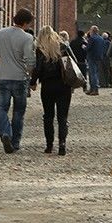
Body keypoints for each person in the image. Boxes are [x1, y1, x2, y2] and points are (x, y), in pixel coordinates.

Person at [0, 8, 35, 153]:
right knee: (19, 111)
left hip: (4, 77)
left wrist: (0, 61)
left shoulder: (2, 33)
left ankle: (5, 132)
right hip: (20, 78)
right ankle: (15, 142)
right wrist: (29, 71)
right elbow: (30, 60)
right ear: (25, 23)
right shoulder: (27, 38)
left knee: (1, 108)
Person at [31, 25, 74, 155]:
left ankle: (49, 146)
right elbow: (74, 62)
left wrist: (33, 82)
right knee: (62, 117)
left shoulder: (40, 49)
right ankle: (62, 144)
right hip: (63, 85)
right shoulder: (63, 46)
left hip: (48, 86)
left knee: (48, 116)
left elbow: (38, 68)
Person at [85, 25, 108, 95]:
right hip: (99, 58)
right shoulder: (101, 38)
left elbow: (88, 48)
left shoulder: (92, 38)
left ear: (92, 31)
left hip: (92, 57)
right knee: (96, 73)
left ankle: (94, 89)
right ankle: (93, 89)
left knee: (92, 74)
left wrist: (84, 47)